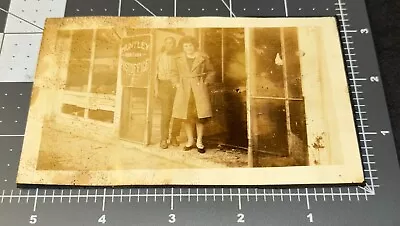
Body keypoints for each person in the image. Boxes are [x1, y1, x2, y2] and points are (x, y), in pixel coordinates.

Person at [171, 36, 215, 154]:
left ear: (194, 46)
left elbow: (211, 71)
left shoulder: (203, 58)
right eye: (185, 46)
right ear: (182, 47)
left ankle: (199, 142)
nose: (188, 48)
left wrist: (205, 82)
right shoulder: (178, 58)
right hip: (184, 89)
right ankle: (190, 141)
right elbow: (173, 72)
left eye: (190, 45)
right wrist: (176, 83)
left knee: (200, 116)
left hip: (198, 88)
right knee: (186, 116)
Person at [154, 37, 182, 149]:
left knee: (177, 112)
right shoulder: (159, 57)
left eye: (171, 43)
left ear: (174, 45)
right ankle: (163, 139)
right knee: (166, 113)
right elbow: (155, 75)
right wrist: (156, 90)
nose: (169, 45)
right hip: (163, 85)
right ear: (164, 45)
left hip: (176, 86)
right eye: (167, 43)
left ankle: (174, 137)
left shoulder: (178, 56)